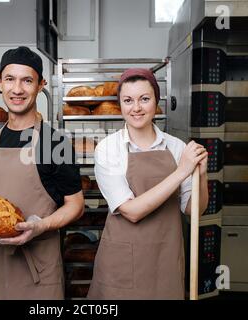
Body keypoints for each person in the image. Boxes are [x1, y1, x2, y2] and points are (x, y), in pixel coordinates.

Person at [0, 46, 84, 300]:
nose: (17, 89)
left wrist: (40, 226)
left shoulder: (55, 144)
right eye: (10, 79)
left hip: (39, 270)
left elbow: (76, 205)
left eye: (27, 80)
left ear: (40, 85)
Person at [87, 68, 209, 300]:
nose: (136, 108)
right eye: (128, 100)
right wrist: (181, 171)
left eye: (144, 99)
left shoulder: (176, 148)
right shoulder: (108, 149)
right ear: (120, 104)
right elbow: (132, 212)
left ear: (156, 100)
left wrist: (201, 177)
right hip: (121, 263)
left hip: (165, 258)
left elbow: (194, 210)